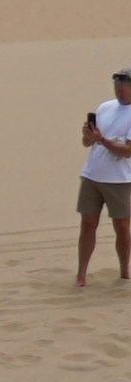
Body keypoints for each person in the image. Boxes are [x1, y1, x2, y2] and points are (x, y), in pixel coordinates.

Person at [84, 71, 131, 286]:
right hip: (92, 175)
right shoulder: (105, 107)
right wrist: (88, 135)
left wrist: (101, 139)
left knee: (121, 227)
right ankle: (81, 275)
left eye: (124, 84)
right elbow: (87, 144)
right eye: (117, 84)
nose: (119, 88)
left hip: (120, 180)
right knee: (87, 224)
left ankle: (124, 272)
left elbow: (127, 151)